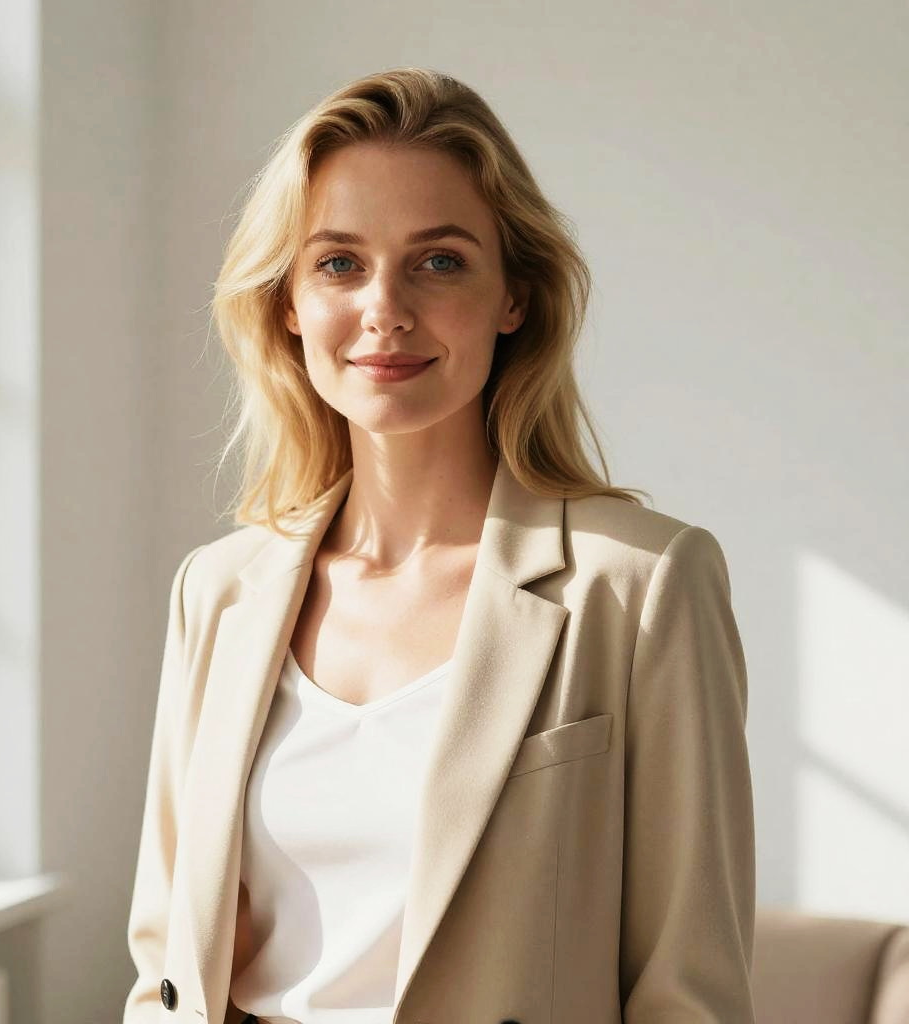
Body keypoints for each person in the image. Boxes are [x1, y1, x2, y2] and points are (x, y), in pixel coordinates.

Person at [123, 67, 756, 1024]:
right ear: (288, 302)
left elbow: (690, 992)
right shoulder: (217, 591)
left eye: (441, 261)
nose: (385, 308)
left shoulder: (639, 586)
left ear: (515, 298)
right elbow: (165, 958)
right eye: (339, 263)